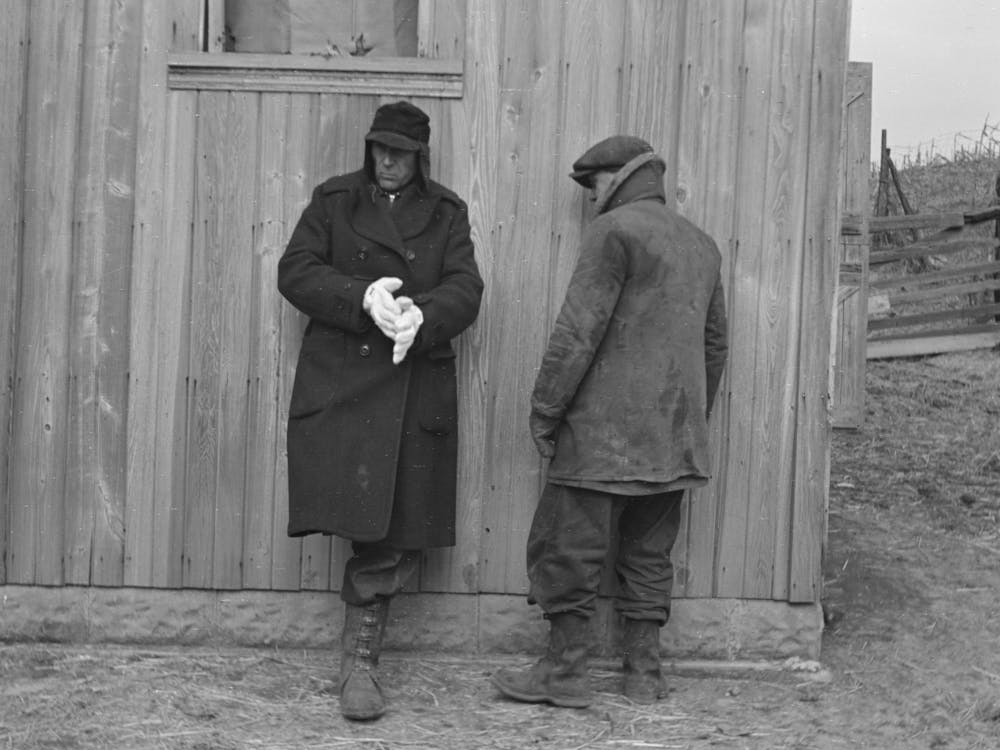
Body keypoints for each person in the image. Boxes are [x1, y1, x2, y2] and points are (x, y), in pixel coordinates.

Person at [491, 135, 728, 708]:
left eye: (593, 184)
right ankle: (643, 674)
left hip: (599, 438)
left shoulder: (613, 232)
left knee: (567, 550)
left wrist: (546, 410)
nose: (590, 197)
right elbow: (715, 345)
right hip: (673, 440)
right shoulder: (702, 245)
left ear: (618, 178)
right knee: (649, 555)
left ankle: (565, 673)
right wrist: (688, 418)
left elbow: (578, 332)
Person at [277, 101, 483, 721]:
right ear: (369, 148)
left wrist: (424, 316)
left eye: (401, 152)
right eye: (380, 148)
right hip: (345, 383)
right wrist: (360, 296)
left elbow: (466, 286)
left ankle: (360, 663)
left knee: (395, 528)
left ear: (420, 157)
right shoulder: (335, 201)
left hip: (413, 379)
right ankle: (358, 665)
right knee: (367, 518)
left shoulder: (446, 212)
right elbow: (295, 270)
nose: (388, 161)